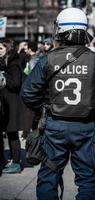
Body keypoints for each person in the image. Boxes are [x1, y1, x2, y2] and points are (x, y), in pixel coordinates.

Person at [21, 8, 95, 200]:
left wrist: (44, 107)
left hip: (54, 126)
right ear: (85, 31)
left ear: (59, 30)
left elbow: (28, 93)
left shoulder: (47, 59)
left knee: (49, 175)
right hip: (85, 126)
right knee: (88, 179)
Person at [0, 38, 22, 174]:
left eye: (0, 48)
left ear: (7, 48)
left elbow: (16, 83)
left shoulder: (14, 63)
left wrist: (3, 76)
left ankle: (16, 163)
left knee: (12, 133)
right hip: (3, 103)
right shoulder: (2, 63)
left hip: (12, 102)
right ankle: (2, 160)